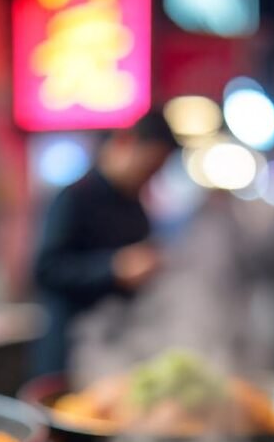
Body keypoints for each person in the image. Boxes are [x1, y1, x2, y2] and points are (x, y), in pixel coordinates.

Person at [33, 109, 178, 374]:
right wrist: (114, 268)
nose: (151, 178)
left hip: (118, 350)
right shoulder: (74, 198)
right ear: (127, 143)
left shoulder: (136, 209)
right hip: (68, 353)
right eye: (150, 167)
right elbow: (46, 270)